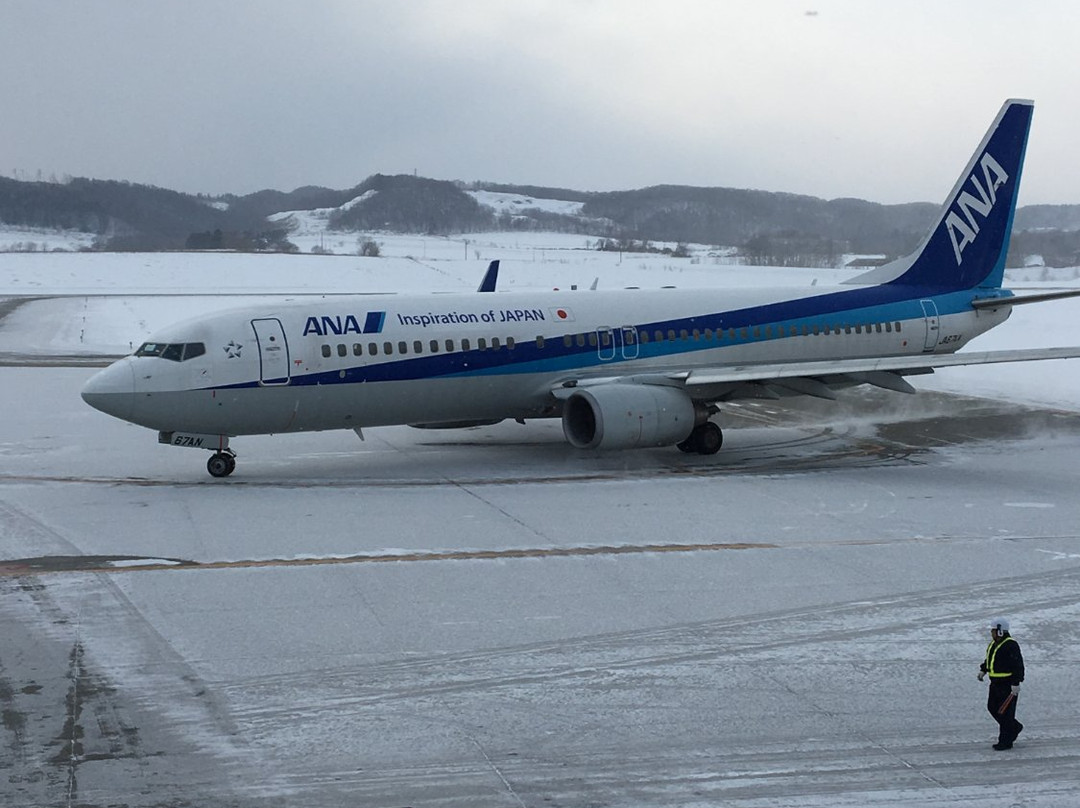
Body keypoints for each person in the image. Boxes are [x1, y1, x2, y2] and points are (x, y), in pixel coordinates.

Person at [978, 617, 1025, 750]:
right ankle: (1014, 727)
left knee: (1005, 713)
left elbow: (1018, 664)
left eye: (993, 630)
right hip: (995, 683)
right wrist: (984, 669)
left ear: (1000, 631)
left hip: (1007, 684)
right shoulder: (994, 644)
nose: (991, 633)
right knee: (992, 707)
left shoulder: (1011, 645)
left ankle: (1005, 741)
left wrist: (1016, 682)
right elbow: (991, 659)